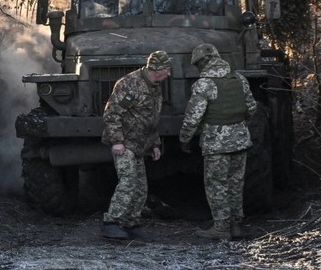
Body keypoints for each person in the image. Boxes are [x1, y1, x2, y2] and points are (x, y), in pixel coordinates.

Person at [180, 43, 257, 239]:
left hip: (216, 144)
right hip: (240, 140)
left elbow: (193, 117)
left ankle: (221, 228)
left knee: (216, 184)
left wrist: (185, 138)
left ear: (201, 64)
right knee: (236, 183)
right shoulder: (239, 79)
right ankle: (236, 225)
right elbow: (251, 108)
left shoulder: (204, 84)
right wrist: (239, 127)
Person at [100, 50, 171, 240]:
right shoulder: (130, 85)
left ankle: (131, 223)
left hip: (140, 145)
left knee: (141, 187)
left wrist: (155, 144)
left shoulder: (154, 87)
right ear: (156, 69)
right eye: (166, 69)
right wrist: (117, 141)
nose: (168, 73)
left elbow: (150, 119)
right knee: (128, 182)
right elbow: (112, 113)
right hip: (125, 143)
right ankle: (111, 222)